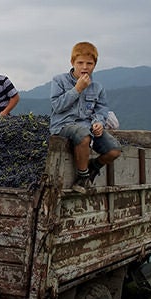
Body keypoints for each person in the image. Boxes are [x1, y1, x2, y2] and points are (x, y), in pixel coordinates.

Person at [50, 42, 121, 193]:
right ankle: (82, 178)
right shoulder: (59, 81)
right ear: (72, 62)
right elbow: (57, 106)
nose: (84, 67)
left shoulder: (97, 88)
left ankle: (93, 167)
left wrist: (98, 123)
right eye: (80, 63)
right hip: (63, 125)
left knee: (114, 150)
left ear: (95, 65)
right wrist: (77, 89)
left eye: (89, 63)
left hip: (87, 126)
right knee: (83, 136)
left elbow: (101, 110)